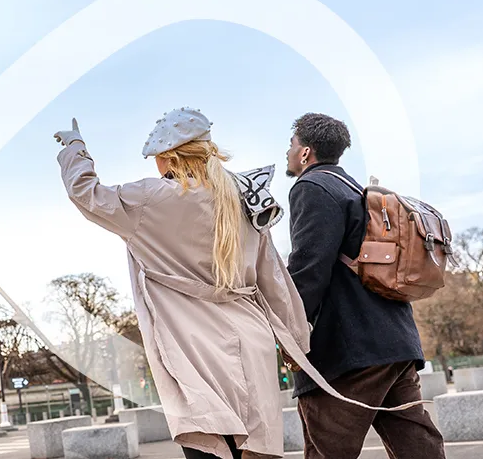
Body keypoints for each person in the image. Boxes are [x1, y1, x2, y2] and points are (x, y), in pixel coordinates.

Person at [54, 109, 312, 459]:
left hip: (192, 348)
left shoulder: (150, 198)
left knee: (211, 449)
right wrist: (296, 341)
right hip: (252, 343)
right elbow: (275, 279)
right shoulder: (246, 196)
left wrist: (75, 150)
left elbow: (87, 194)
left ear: (166, 158)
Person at [283, 112, 446, 458]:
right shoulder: (357, 189)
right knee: (416, 444)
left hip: (349, 350)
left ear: (305, 152)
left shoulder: (311, 187)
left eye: (291, 144)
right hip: (395, 340)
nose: (288, 151)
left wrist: (290, 333)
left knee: (327, 447)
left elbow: (309, 269)